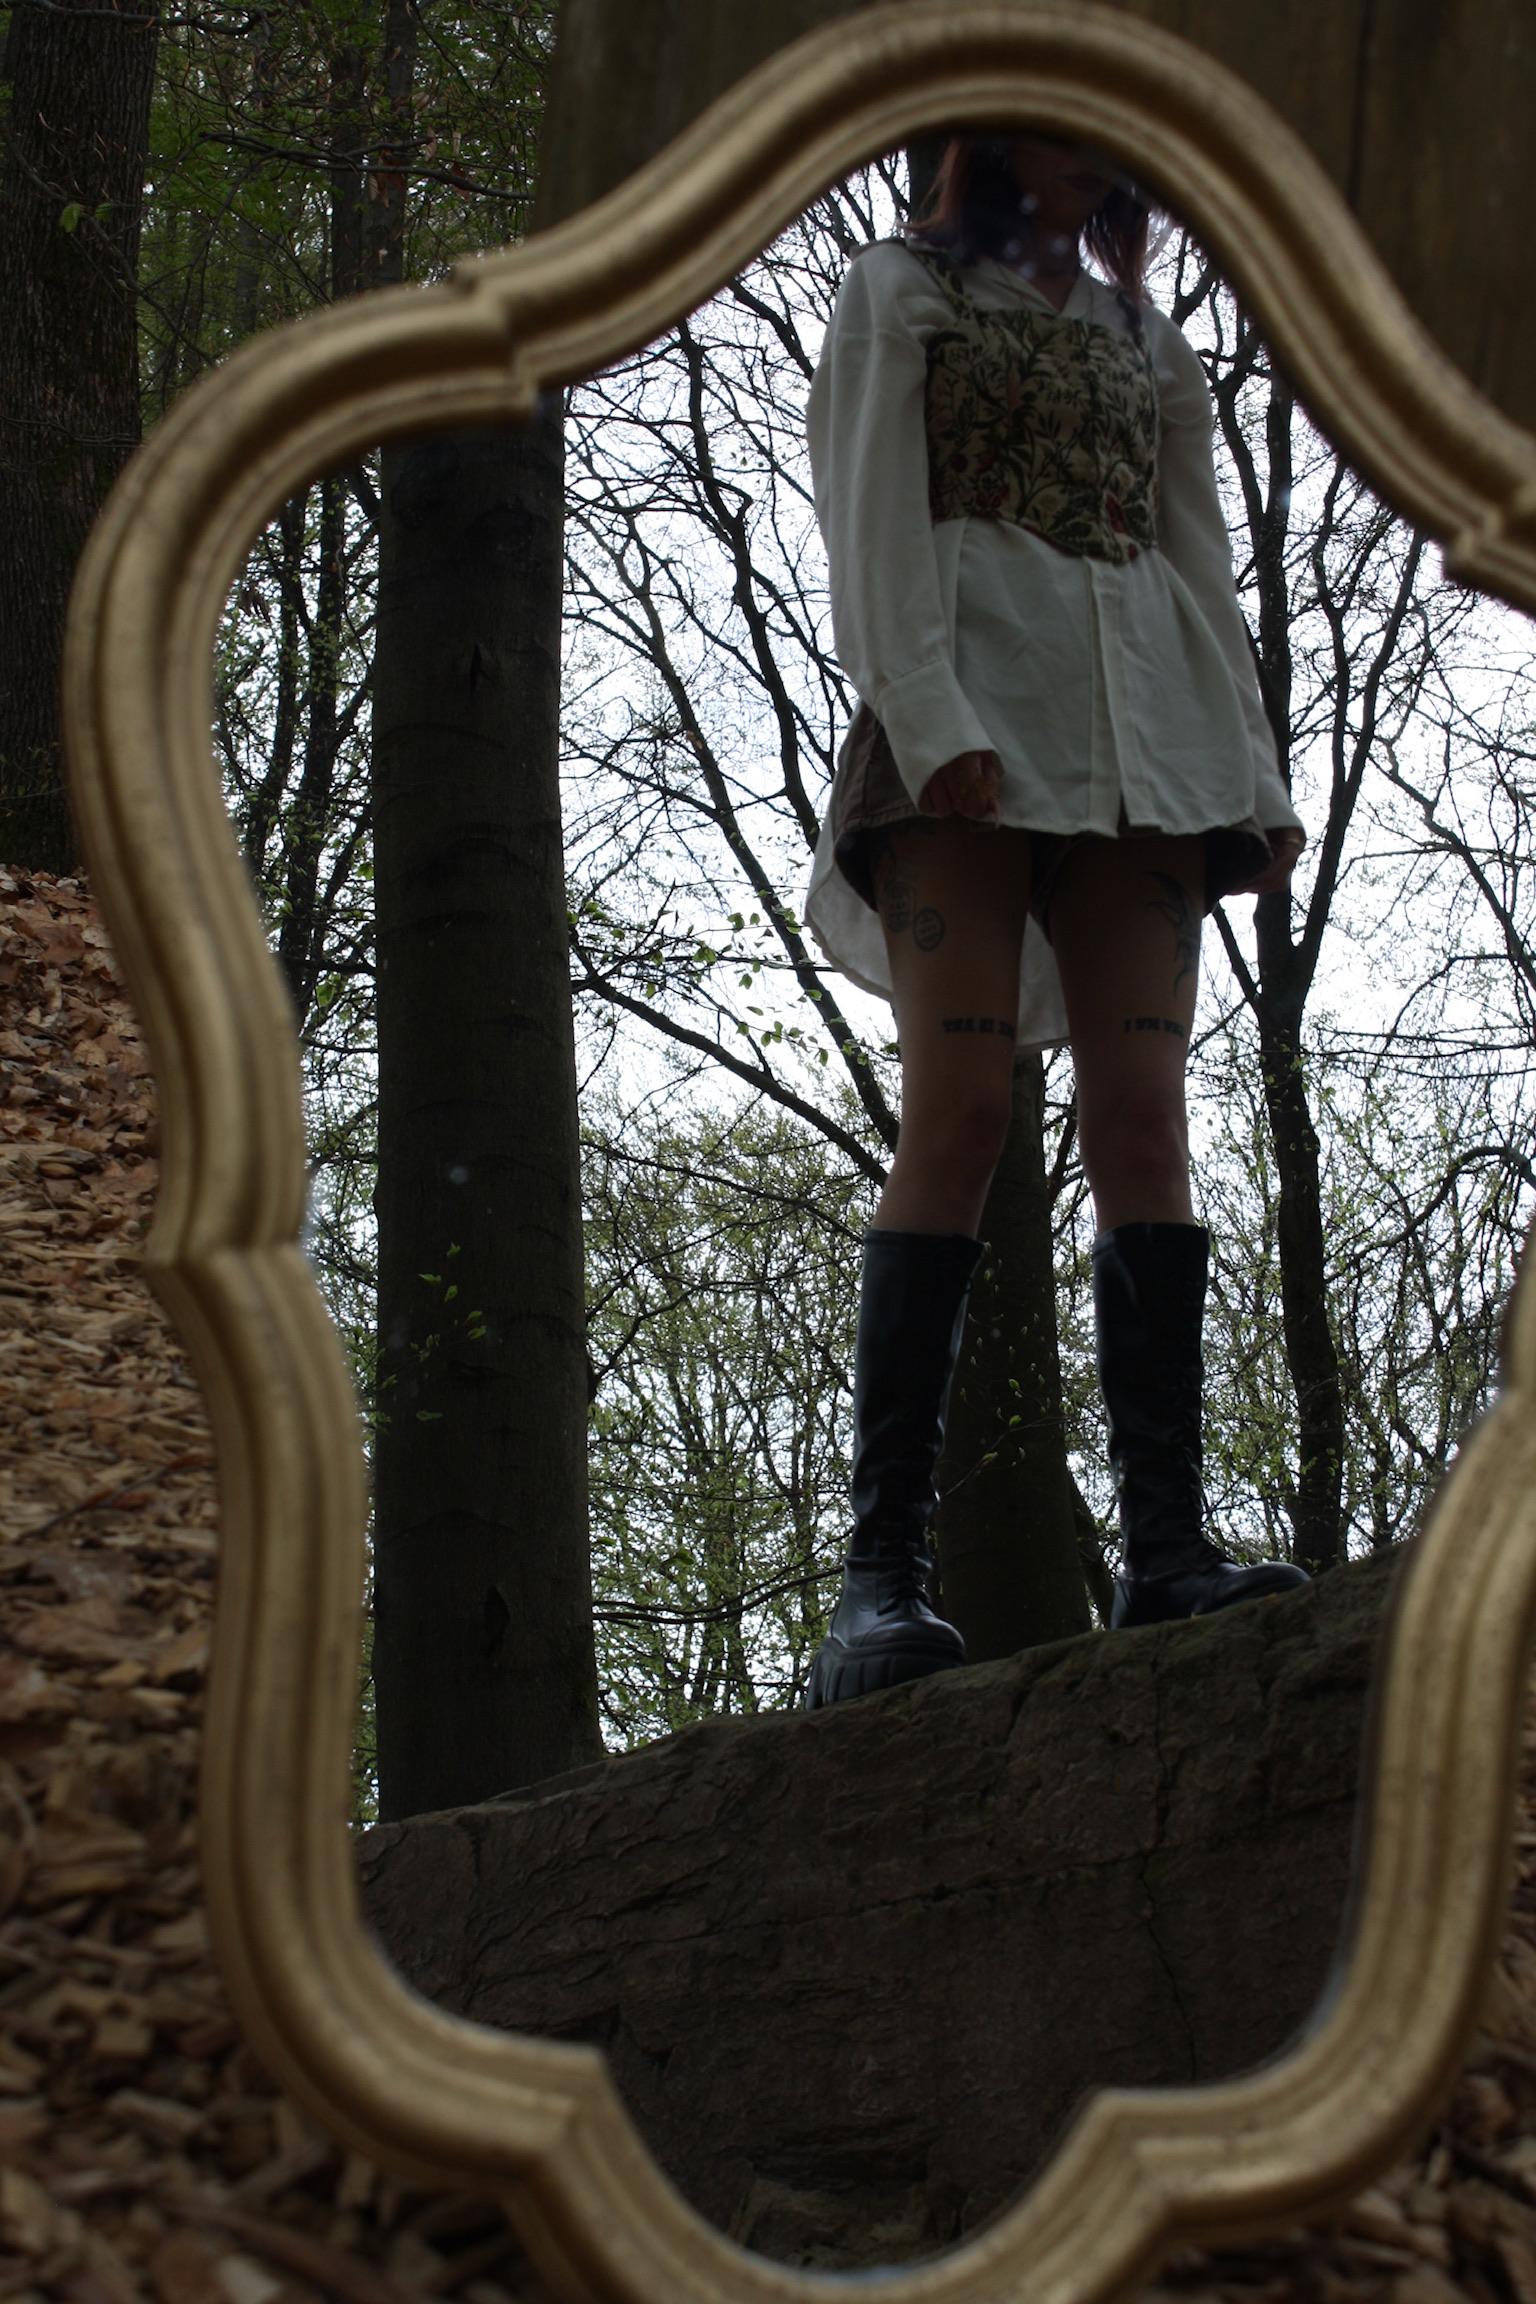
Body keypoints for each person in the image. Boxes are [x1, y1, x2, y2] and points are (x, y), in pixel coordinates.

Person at [802, 134, 1310, 1712]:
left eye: (1117, 145)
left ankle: (1170, 1548)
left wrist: (1256, 764)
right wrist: (927, 702)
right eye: (1067, 134)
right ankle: (879, 1584)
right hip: (964, 729)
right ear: (995, 134)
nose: (1097, 167)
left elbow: (1198, 558)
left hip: (1151, 746)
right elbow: (869, 520)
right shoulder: (896, 294)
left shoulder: (1148, 342)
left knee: (1147, 1120)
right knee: (956, 1121)